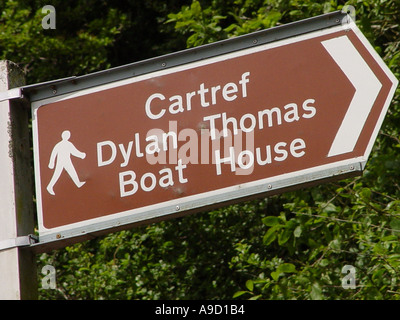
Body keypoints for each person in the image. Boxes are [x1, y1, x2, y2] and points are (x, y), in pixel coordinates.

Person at [47, 130, 86, 195]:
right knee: (56, 174)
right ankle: (50, 186)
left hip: (67, 161)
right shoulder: (60, 144)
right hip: (61, 161)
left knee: (72, 171)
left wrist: (81, 155)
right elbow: (54, 154)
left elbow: (74, 151)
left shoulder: (68, 144)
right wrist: (51, 163)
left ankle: (78, 183)